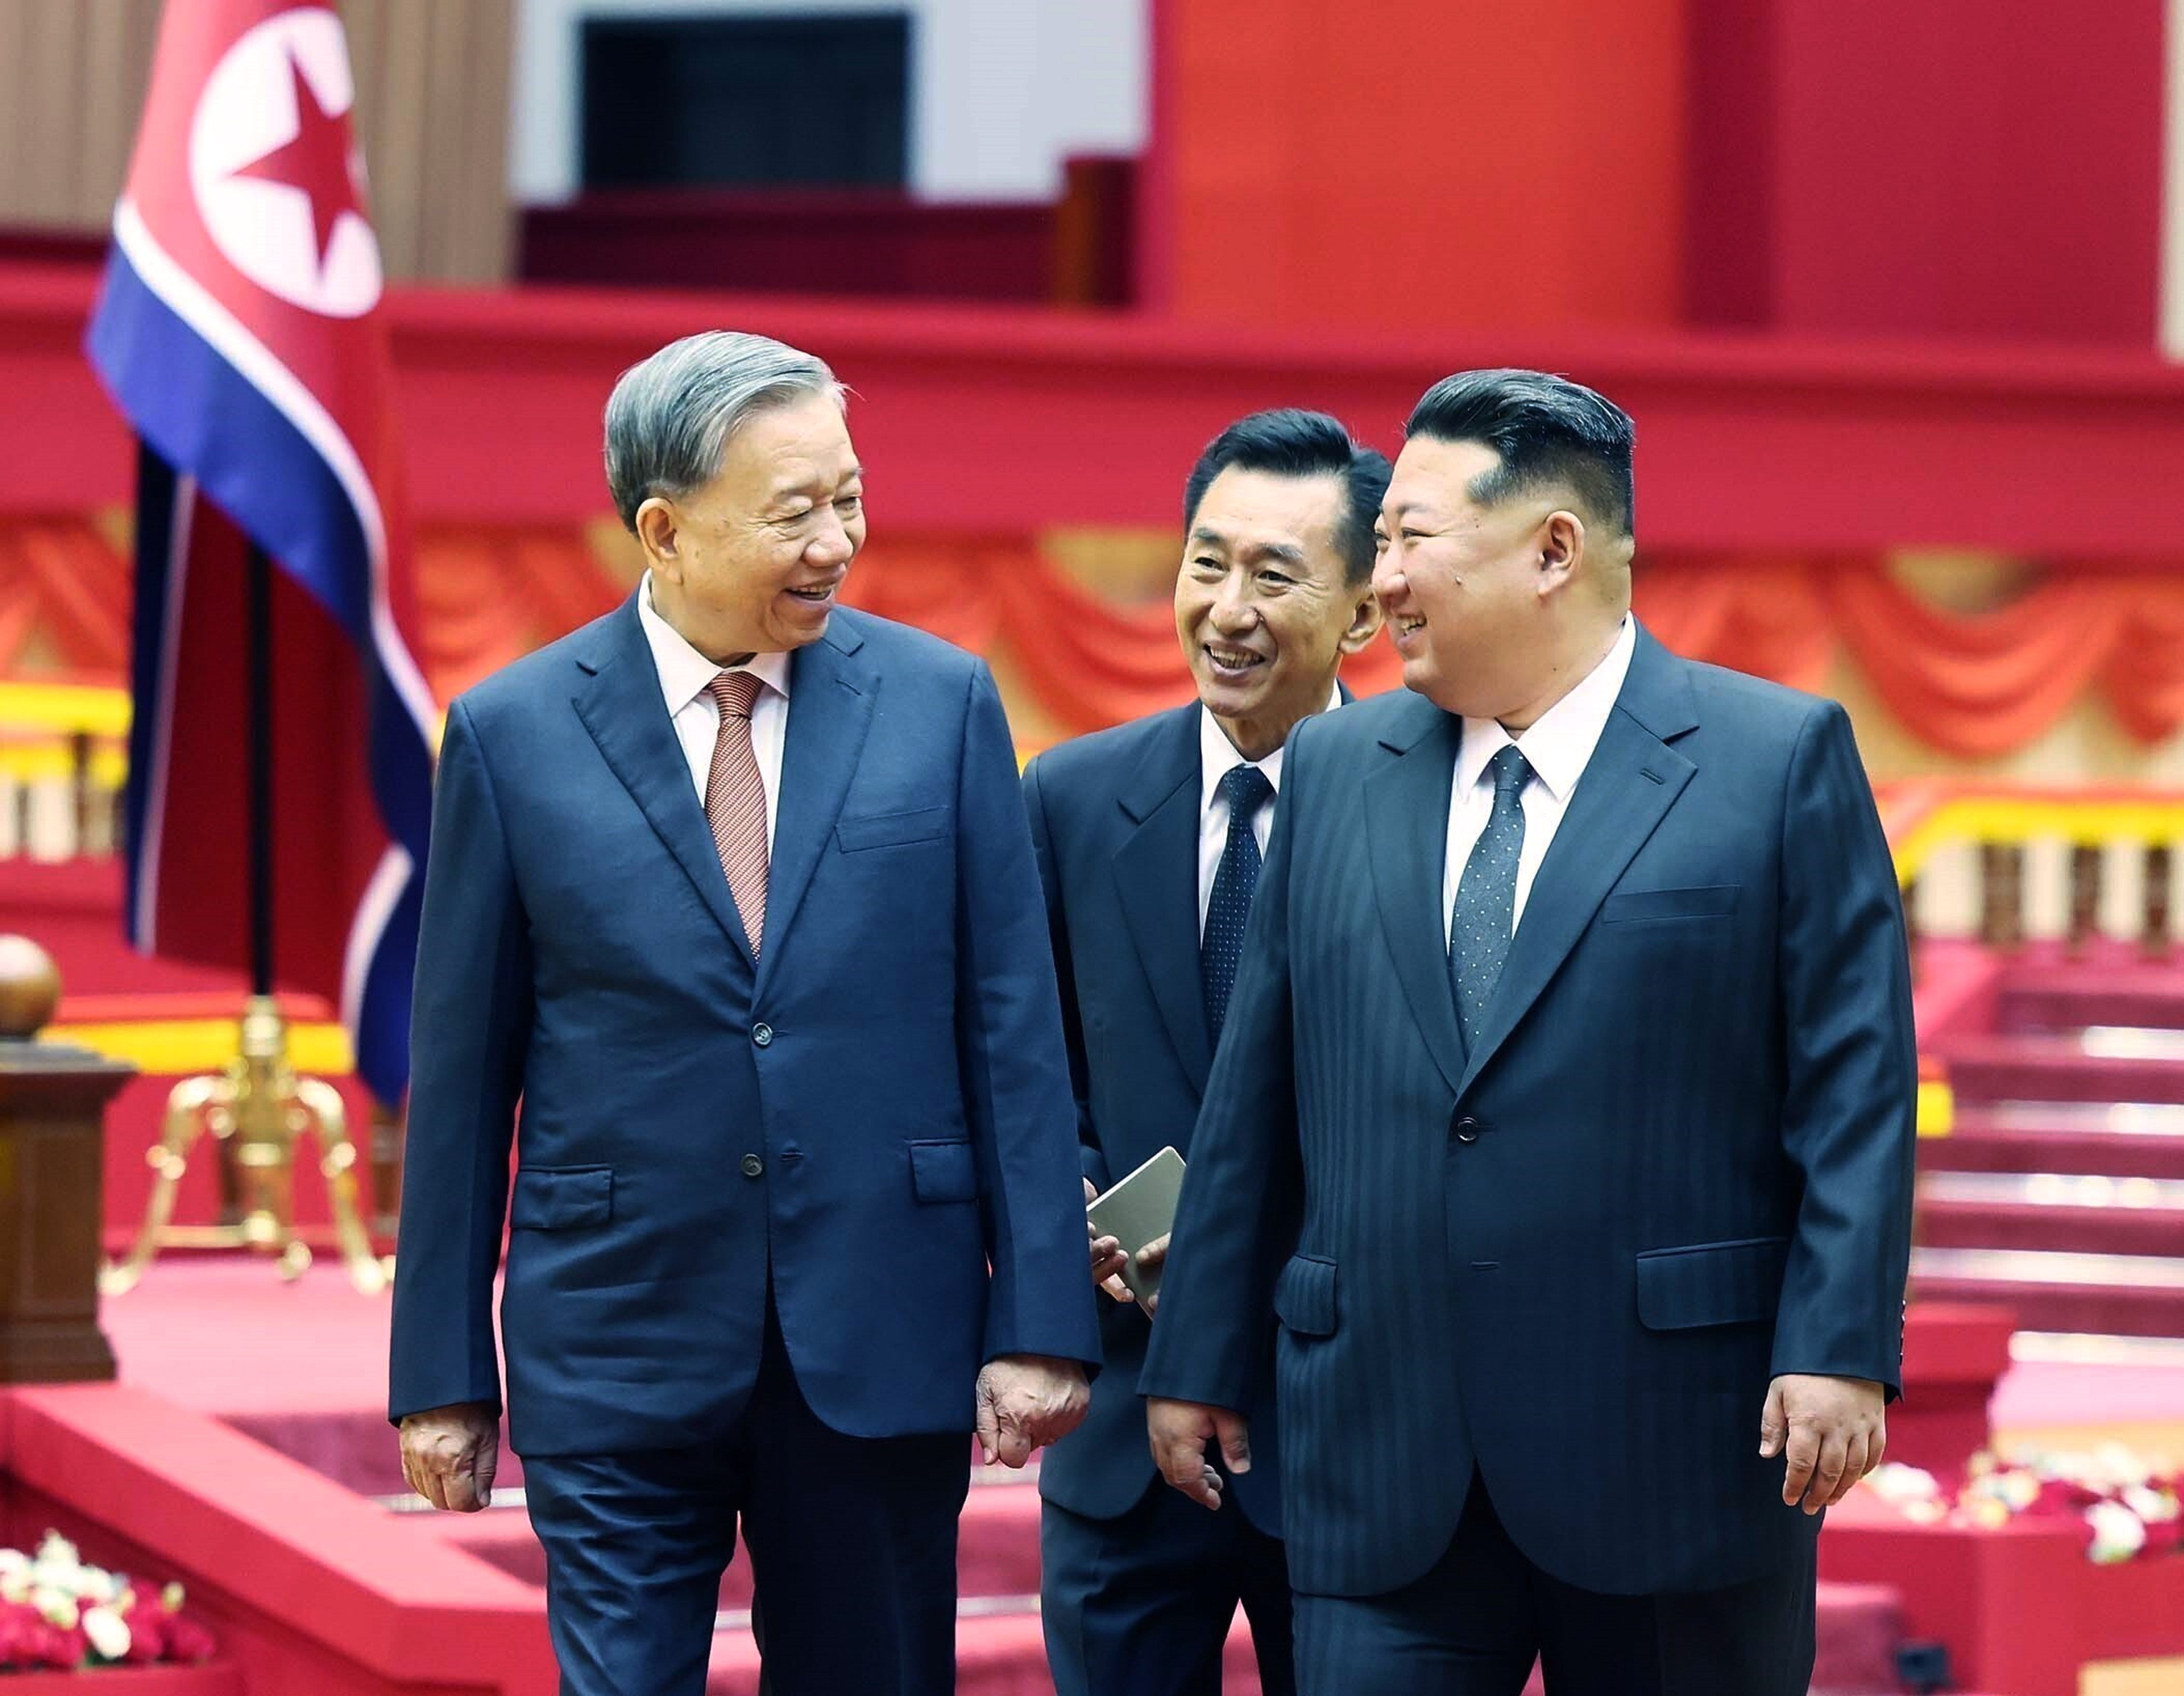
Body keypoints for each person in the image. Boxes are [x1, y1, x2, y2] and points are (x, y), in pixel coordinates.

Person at [1140, 369, 1916, 1696]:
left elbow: (1851, 1086)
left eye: (1410, 542)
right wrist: (1197, 1345)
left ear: (1553, 549)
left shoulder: (1769, 758)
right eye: (1377, 545)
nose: (1378, 582)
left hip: (1674, 1450)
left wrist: (1837, 1346)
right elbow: (1256, 1092)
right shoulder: (1333, 771)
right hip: (1381, 1453)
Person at [388, 331, 1098, 1696]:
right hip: (617, 1332)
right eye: (794, 513)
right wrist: (441, 1370)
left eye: (849, 496)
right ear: (662, 527)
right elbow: (463, 1075)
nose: (837, 538)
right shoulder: (511, 732)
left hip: (882, 1326)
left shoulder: (940, 706)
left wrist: (1040, 1322)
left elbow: (1011, 1033)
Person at [1024, 411, 1389, 1696]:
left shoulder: (1427, 814)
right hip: (1121, 1431)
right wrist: (1067, 1206)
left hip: (1344, 1432)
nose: (1226, 610)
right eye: (1204, 563)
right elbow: (1025, 1068)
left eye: (1275, 576)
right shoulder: (1066, 800)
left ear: (1361, 614)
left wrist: (1257, 1242)